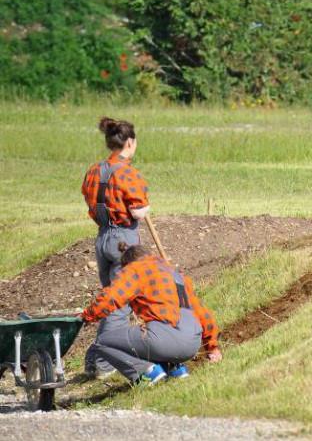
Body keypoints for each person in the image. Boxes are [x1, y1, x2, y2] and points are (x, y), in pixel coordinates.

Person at [80, 244, 222, 384]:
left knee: (102, 343)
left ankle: (147, 372)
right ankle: (175, 369)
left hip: (166, 339)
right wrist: (212, 347)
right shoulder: (175, 275)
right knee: (151, 332)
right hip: (192, 342)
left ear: (127, 264)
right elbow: (203, 313)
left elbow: (111, 297)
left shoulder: (136, 269)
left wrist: (87, 316)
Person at [80, 117, 150, 377]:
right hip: (124, 240)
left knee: (112, 302)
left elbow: (89, 199)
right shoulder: (128, 172)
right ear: (129, 142)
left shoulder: (94, 170)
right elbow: (139, 211)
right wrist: (144, 208)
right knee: (120, 305)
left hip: (102, 238)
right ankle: (102, 363)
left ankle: (94, 360)